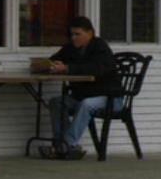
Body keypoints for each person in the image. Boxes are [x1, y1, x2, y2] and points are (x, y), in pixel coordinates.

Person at [40, 16, 122, 160]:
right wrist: (49, 66)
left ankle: (66, 144)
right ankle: (64, 145)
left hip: (109, 97)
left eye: (78, 34)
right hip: (82, 95)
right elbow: (54, 59)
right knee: (56, 102)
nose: (73, 38)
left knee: (86, 104)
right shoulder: (70, 48)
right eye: (71, 34)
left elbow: (97, 68)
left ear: (90, 33)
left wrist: (68, 68)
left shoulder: (100, 46)